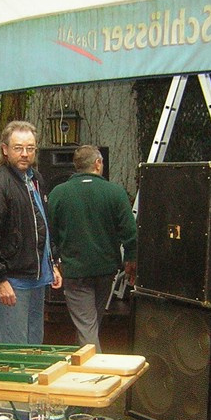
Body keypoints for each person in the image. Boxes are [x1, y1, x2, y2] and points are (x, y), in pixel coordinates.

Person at [0, 120, 62, 343]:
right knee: (15, 350)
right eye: (18, 148)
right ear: (5, 149)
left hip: (37, 279)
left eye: (30, 148)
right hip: (13, 281)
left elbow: (43, 224)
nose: (25, 154)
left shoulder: (35, 179)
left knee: (34, 347)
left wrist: (52, 262)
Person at [47, 144, 137, 352]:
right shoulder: (115, 192)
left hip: (75, 270)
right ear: (98, 163)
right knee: (90, 323)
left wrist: (55, 259)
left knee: (86, 325)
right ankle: (90, 364)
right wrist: (131, 259)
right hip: (106, 269)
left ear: (76, 166)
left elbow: (50, 232)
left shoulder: (58, 193)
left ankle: (90, 365)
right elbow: (130, 232)